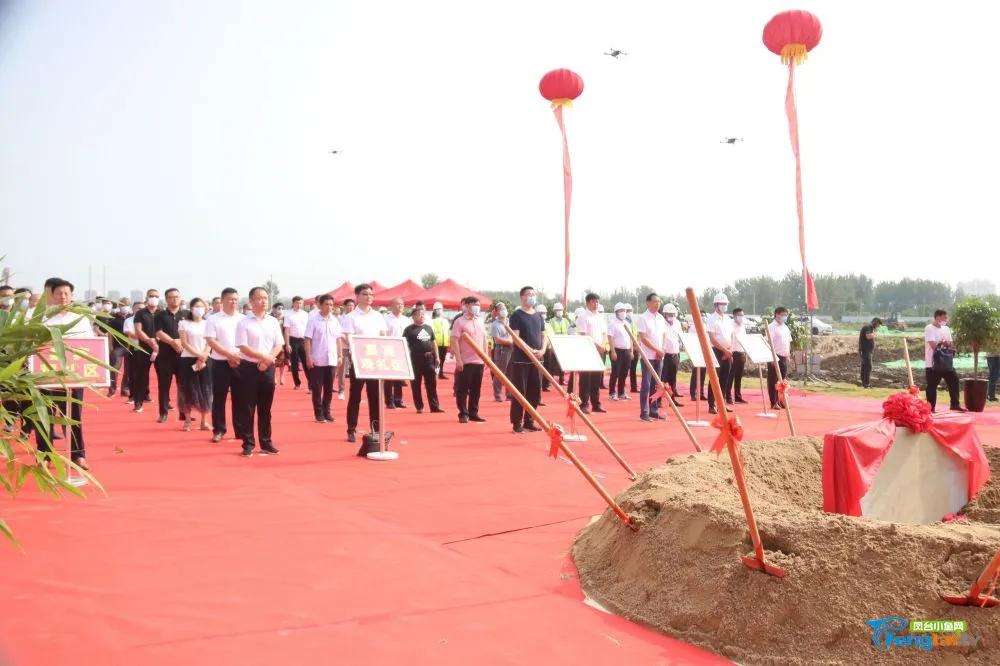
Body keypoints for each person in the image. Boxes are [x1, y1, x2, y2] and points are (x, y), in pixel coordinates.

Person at [36, 279, 92, 469]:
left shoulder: (81, 319)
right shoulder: (42, 319)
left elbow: (91, 346)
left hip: (73, 375)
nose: (63, 297)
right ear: (51, 296)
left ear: (72, 296)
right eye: (59, 293)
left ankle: (78, 455)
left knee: (73, 416)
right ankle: (44, 455)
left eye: (67, 293)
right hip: (45, 375)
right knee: (45, 415)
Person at [234, 287, 283, 456]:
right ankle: (248, 443)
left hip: (268, 368)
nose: (263, 301)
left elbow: (279, 344)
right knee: (248, 407)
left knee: (265, 408)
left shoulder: (273, 321)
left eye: (265, 298)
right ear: (251, 301)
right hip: (248, 368)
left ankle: (266, 442)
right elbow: (242, 346)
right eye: (259, 298)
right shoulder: (244, 322)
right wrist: (263, 357)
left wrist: (268, 358)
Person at [342, 284, 388, 442]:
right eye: (365, 294)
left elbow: (383, 336)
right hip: (359, 361)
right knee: (355, 395)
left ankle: (376, 429)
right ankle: (351, 429)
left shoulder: (378, 316)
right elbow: (348, 338)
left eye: (371, 294)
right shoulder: (350, 317)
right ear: (357, 296)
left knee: (375, 396)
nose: (369, 297)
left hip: (375, 362)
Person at [205, 287, 245, 443]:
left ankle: (240, 429)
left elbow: (247, 342)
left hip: (241, 362)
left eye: (235, 299)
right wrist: (228, 355)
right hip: (220, 363)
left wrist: (237, 356)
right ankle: (219, 429)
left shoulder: (243, 319)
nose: (233, 302)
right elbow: (211, 341)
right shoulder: (213, 319)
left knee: (240, 398)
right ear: (222, 301)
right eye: (230, 299)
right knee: (219, 398)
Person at [508, 287, 545, 433]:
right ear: (522, 297)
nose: (532, 297)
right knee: (519, 393)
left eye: (534, 294)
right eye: (529, 294)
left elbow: (544, 335)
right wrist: (529, 350)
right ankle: (517, 423)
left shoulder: (538, 316)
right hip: (521, 360)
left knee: (535, 392)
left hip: (536, 360)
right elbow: (515, 338)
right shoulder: (517, 315)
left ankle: (529, 420)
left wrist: (541, 350)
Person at [304, 294, 343, 423]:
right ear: (320, 305)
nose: (329, 307)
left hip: (331, 359)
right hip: (317, 360)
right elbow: (307, 340)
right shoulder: (313, 320)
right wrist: (309, 357)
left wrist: (340, 355)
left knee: (329, 389)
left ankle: (327, 412)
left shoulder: (335, 321)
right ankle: (318, 414)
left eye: (331, 305)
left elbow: (338, 339)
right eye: (326, 304)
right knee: (317, 389)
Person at [153, 288, 188, 424]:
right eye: (172, 297)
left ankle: (184, 413)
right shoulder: (160, 315)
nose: (175, 299)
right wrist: (173, 341)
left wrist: (181, 342)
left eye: (177, 297)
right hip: (165, 356)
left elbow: (191, 332)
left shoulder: (186, 314)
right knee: (164, 385)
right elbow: (158, 333)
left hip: (183, 355)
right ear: (166, 299)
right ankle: (163, 413)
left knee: (184, 385)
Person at [178, 298, 213, 432]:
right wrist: (198, 355)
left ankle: (204, 421)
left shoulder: (208, 323)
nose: (200, 309)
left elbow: (210, 341)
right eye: (197, 306)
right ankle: (187, 421)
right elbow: (184, 343)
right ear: (191, 309)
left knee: (205, 389)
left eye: (202, 306)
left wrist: (203, 356)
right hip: (188, 359)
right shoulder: (183, 323)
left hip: (205, 359)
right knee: (187, 390)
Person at [450, 296, 487, 424]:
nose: (477, 306)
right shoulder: (459, 321)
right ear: (467, 305)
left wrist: (486, 356)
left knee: (476, 389)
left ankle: (473, 413)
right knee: (462, 389)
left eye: (478, 304)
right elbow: (454, 340)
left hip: (479, 361)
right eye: (474, 304)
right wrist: (458, 359)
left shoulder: (480, 321)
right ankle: (463, 413)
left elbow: (484, 338)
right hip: (465, 361)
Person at [403, 304, 444, 414]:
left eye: (423, 314)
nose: (422, 316)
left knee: (431, 384)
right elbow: (404, 344)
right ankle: (419, 406)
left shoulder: (428, 328)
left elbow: (433, 342)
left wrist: (437, 357)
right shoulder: (409, 330)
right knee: (416, 384)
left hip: (429, 358)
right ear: (413, 317)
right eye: (419, 315)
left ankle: (434, 406)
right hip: (415, 359)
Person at [924, 309, 964, 412]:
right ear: (937, 317)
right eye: (944, 318)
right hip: (933, 363)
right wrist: (942, 343)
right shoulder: (929, 328)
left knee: (954, 380)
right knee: (932, 386)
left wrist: (945, 343)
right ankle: (931, 408)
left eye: (946, 318)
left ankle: (955, 404)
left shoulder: (946, 329)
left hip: (946, 362)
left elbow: (950, 343)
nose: (946, 320)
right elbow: (933, 346)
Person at [576, 293, 608, 414]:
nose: (596, 304)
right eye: (593, 302)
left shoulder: (600, 317)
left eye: (597, 302)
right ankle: (583, 404)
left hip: (600, 351)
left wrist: (604, 344)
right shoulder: (583, 317)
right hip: (587, 351)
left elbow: (605, 333)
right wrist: (597, 346)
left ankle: (596, 404)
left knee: (596, 379)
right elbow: (584, 335)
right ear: (588, 303)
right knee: (585, 379)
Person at [637, 293, 667, 421]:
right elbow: (643, 338)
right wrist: (656, 350)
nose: (657, 304)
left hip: (659, 357)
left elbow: (664, 335)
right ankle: (644, 412)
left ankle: (654, 410)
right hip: (647, 356)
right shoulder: (643, 318)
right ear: (648, 303)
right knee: (647, 384)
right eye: (655, 301)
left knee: (657, 385)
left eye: (659, 301)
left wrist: (663, 349)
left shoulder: (660, 318)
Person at [131, 289, 160, 414]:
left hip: (161, 348)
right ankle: (138, 402)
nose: (153, 298)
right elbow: (138, 330)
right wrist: (150, 341)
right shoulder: (140, 313)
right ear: (147, 298)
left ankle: (166, 403)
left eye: (156, 296)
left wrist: (158, 340)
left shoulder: (162, 313)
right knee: (141, 376)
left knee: (164, 377)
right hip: (144, 348)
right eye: (151, 296)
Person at [705, 293, 734, 415]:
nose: (724, 306)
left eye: (726, 304)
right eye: (722, 304)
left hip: (728, 352)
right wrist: (724, 350)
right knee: (714, 379)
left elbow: (731, 335)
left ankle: (721, 404)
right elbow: (712, 338)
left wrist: (729, 349)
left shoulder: (728, 319)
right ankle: (712, 404)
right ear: (716, 305)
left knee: (724, 379)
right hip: (717, 351)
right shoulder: (711, 319)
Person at [383, 297, 410, 409]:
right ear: (392, 305)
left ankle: (398, 399)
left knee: (400, 376)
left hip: (403, 350)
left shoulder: (406, 319)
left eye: (402, 304)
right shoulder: (386, 319)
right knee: (389, 377)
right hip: (389, 350)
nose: (400, 306)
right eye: (398, 304)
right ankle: (389, 401)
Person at [767, 307, 793, 410]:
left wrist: (789, 355)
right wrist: (772, 357)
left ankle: (782, 401)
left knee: (782, 382)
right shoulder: (771, 327)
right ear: (776, 315)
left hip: (784, 357)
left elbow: (788, 342)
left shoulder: (785, 327)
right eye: (782, 314)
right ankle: (773, 402)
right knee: (773, 381)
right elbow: (769, 343)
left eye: (786, 315)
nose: (784, 317)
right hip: (775, 357)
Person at [283, 296, 310, 390]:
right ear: (293, 303)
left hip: (303, 340)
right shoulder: (288, 315)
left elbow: (309, 329)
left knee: (307, 363)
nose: (299, 305)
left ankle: (311, 384)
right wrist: (287, 344)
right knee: (294, 364)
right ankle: (297, 383)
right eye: (297, 303)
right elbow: (286, 330)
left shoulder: (306, 314)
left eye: (301, 303)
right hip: (293, 340)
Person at [608, 302, 632, 401]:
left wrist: (631, 351)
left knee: (624, 373)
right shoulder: (613, 324)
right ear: (616, 312)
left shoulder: (627, 323)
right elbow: (610, 337)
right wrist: (613, 351)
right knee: (615, 372)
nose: (623, 313)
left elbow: (630, 337)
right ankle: (612, 393)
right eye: (621, 311)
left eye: (624, 311)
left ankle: (621, 392)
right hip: (617, 351)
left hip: (626, 351)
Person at [489, 302, 513, 402]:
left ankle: (510, 395)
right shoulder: (495, 324)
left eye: (504, 308)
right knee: (500, 373)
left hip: (512, 349)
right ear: (497, 312)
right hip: (502, 349)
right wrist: (510, 341)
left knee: (511, 373)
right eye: (501, 309)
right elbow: (497, 340)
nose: (504, 311)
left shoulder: (510, 321)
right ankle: (497, 395)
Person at [660, 303, 683, 405]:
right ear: (664, 314)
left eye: (673, 314)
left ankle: (672, 400)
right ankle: (658, 400)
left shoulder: (677, 323)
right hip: (665, 355)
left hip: (675, 354)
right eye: (668, 314)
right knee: (662, 379)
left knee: (673, 379)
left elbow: (680, 335)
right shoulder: (660, 322)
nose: (671, 316)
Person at [106, 298, 129, 398]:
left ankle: (125, 389)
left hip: (130, 347)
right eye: (123, 305)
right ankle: (112, 389)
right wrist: (110, 346)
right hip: (118, 347)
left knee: (129, 370)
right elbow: (110, 333)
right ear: (119, 306)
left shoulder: (132, 317)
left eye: (127, 305)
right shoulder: (113, 318)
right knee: (114, 368)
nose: (125, 306)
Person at [729, 307, 750, 404]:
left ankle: (738, 396)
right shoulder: (729, 325)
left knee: (739, 376)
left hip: (741, 353)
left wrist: (746, 352)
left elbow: (745, 340)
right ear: (734, 316)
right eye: (739, 315)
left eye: (742, 315)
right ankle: (727, 396)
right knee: (730, 376)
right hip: (733, 353)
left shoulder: (742, 326)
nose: (741, 317)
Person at [336, 298, 356, 399]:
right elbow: (339, 333)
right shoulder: (340, 318)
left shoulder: (356, 317)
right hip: (344, 346)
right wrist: (347, 340)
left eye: (352, 306)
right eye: (348, 305)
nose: (350, 307)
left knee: (355, 369)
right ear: (344, 306)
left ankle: (355, 390)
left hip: (355, 346)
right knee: (342, 369)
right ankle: (341, 390)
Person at [546, 302, 569, 386]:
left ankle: (562, 379)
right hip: (554, 345)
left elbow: (568, 332)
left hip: (563, 345)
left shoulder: (566, 321)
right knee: (552, 364)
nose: (559, 312)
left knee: (562, 364)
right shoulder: (551, 321)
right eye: (557, 310)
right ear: (554, 311)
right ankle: (550, 381)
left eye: (560, 310)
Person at [858, 317, 882, 389]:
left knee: (865, 367)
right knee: (868, 367)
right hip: (865, 351)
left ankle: (864, 383)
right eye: (878, 324)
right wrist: (875, 333)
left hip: (867, 351)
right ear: (875, 322)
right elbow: (868, 336)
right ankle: (866, 384)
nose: (878, 326)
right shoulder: (868, 327)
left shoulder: (870, 328)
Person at [430, 302, 450, 379]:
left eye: (440, 309)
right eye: (437, 309)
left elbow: (447, 331)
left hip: (444, 343)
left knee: (442, 359)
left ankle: (440, 373)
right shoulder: (432, 321)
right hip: (436, 343)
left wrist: (448, 342)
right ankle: (434, 373)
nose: (439, 311)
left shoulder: (445, 321)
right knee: (435, 359)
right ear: (434, 311)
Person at [270, 302, 289, 385]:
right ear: (274, 309)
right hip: (271, 343)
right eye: (278, 308)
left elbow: (287, 331)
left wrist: (287, 343)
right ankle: (274, 378)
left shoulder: (284, 319)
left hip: (282, 342)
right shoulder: (269, 318)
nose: (280, 310)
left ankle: (281, 377)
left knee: (282, 361)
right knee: (273, 360)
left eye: (282, 308)